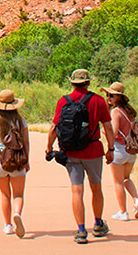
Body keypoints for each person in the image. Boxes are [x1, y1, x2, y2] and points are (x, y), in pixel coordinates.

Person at [45, 68, 116, 244]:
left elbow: (54, 128)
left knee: (77, 190)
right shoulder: (98, 101)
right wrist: (111, 149)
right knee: (96, 187)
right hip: (93, 151)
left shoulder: (64, 101)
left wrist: (49, 148)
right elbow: (107, 127)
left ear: (72, 83)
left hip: (71, 152)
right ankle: (98, 224)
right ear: (88, 82)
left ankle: (81, 230)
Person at [0, 89, 30, 237]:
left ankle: (8, 226)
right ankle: (17, 214)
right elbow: (26, 141)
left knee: (5, 194)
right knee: (18, 194)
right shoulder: (20, 121)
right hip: (17, 160)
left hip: (0, 161)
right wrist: (27, 160)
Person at [103, 81, 138, 221]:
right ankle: (137, 200)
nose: (108, 98)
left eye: (111, 96)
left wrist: (104, 132)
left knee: (118, 182)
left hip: (119, 150)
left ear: (118, 98)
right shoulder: (129, 111)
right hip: (131, 151)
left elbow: (114, 132)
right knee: (126, 178)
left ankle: (123, 212)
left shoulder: (115, 112)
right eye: (108, 95)